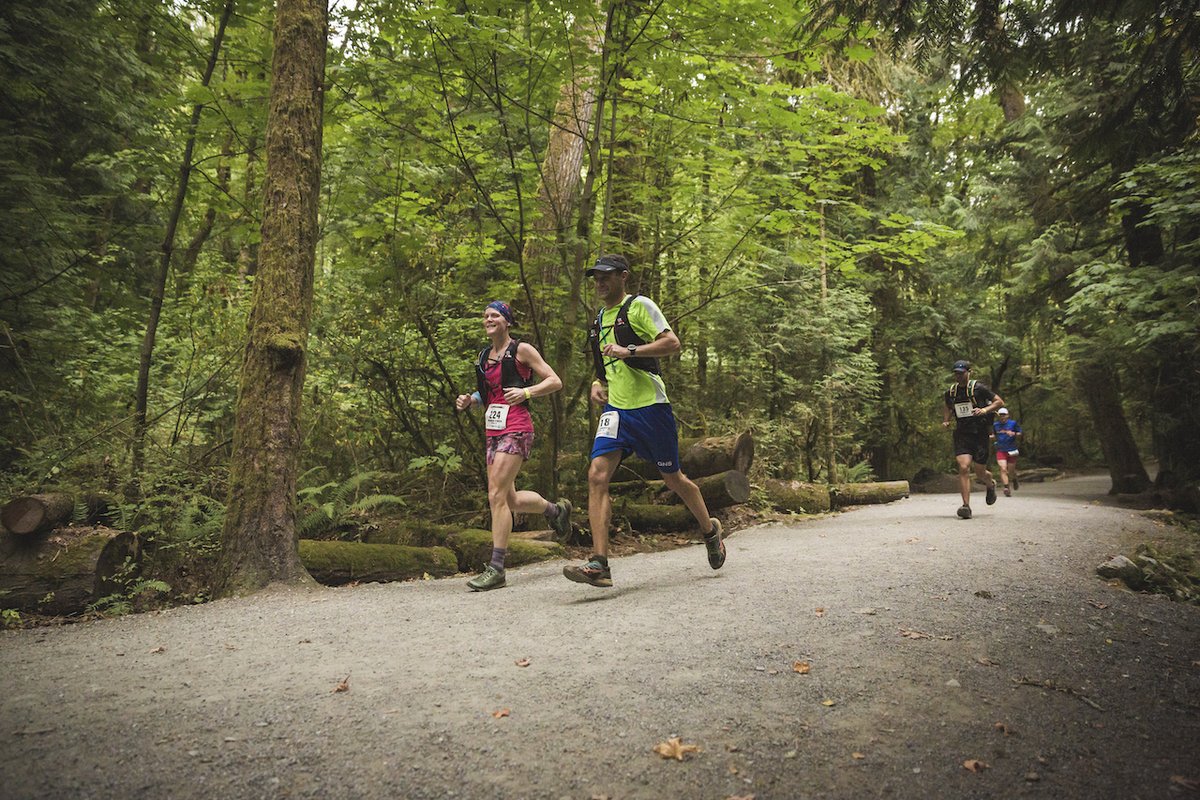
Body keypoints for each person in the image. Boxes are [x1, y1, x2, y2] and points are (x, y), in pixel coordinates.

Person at [563, 254, 725, 588]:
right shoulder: (597, 321)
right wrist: (598, 385)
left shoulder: (640, 306)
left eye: (606, 276)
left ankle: (709, 531)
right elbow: (601, 366)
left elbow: (672, 343)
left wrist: (631, 351)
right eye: (595, 277)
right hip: (616, 413)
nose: (599, 282)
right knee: (596, 476)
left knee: (673, 479)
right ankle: (600, 563)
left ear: (623, 276)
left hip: (651, 407)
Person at [455, 300, 572, 591]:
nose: (488, 319)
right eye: (485, 316)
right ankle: (556, 512)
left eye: (495, 315)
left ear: (507, 321)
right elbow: (491, 394)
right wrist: (471, 400)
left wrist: (527, 391)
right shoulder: (484, 356)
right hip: (493, 431)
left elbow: (555, 380)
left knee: (495, 493)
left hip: (517, 427)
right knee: (510, 499)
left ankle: (496, 568)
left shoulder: (521, 349)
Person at [941, 360, 1003, 519]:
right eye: (956, 373)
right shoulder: (951, 392)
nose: (958, 376)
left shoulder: (979, 388)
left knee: (980, 472)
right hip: (962, 433)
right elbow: (948, 406)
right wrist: (946, 420)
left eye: (961, 373)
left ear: (969, 372)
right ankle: (966, 506)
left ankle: (990, 484)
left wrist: (984, 410)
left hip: (980, 433)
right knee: (963, 467)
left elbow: (999, 402)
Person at [991, 407, 1023, 496]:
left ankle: (1014, 478)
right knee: (1003, 469)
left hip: (1012, 450)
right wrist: (992, 438)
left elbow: (1020, 433)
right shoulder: (995, 425)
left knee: (1010, 471)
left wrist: (1014, 434)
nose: (1002, 417)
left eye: (1004, 415)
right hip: (1000, 450)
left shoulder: (1013, 423)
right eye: (1001, 415)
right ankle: (1006, 487)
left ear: (1007, 415)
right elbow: (993, 434)